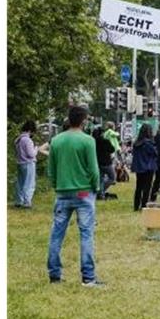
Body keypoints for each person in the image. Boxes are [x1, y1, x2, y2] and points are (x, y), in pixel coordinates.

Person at [45, 105, 103, 286]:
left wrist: (57, 185)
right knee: (86, 233)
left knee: (56, 234)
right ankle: (88, 277)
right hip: (84, 191)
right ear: (84, 120)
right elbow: (94, 170)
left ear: (68, 119)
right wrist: (96, 187)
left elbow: (51, 170)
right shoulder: (88, 141)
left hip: (63, 192)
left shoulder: (56, 141)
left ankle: (54, 274)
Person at [132, 123, 158, 212]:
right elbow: (154, 153)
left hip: (139, 167)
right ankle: (144, 205)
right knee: (147, 187)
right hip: (148, 167)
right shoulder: (148, 143)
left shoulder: (136, 143)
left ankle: (136, 205)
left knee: (138, 187)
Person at [14, 121, 39, 209]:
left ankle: (18, 201)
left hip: (20, 163)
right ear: (30, 130)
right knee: (29, 183)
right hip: (28, 164)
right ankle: (27, 202)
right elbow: (31, 154)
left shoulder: (18, 139)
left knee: (20, 183)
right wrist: (36, 148)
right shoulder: (28, 140)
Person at [92, 126, 116, 201]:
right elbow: (112, 149)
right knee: (112, 178)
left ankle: (100, 193)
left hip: (98, 163)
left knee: (101, 178)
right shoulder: (105, 141)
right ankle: (101, 191)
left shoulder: (93, 142)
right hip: (107, 163)